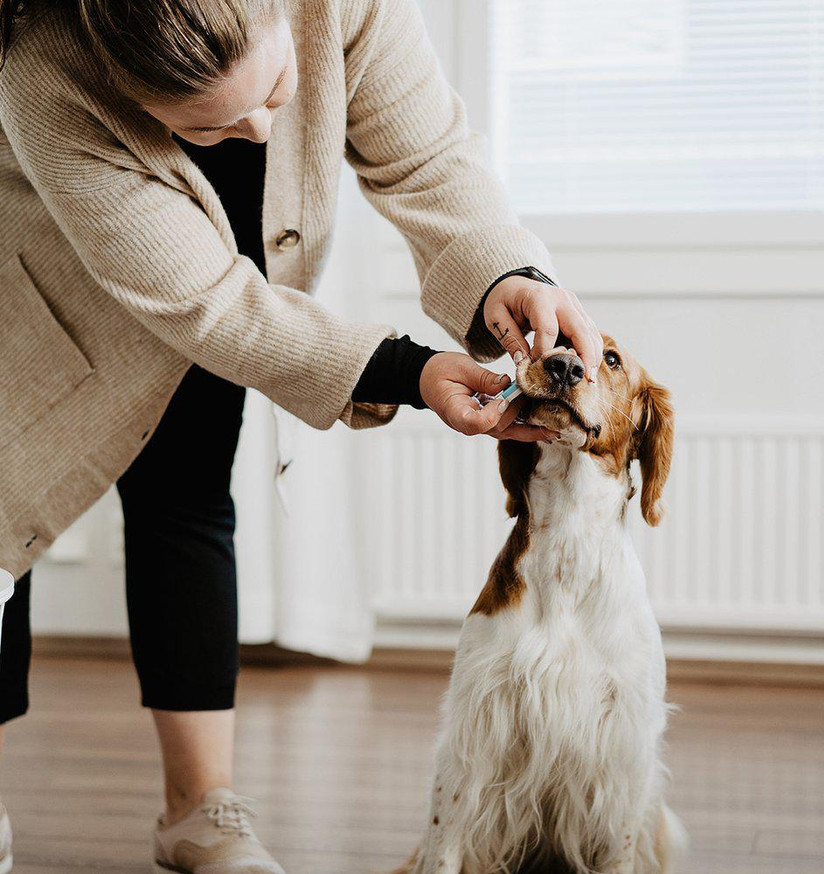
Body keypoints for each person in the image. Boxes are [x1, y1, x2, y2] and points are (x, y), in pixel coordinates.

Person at [0, 0, 604, 871]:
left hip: (238, 294)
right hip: (42, 301)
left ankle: (201, 814)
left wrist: (506, 272)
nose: (256, 132)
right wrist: (407, 372)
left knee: (190, 500)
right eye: (206, 125)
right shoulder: (46, 70)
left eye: (279, 88)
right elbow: (209, 301)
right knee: (3, 531)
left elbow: (426, 157)